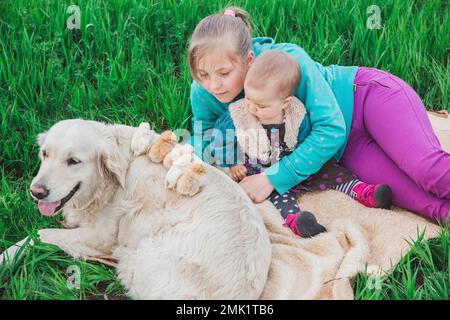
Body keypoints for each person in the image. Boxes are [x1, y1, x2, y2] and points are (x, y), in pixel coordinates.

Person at [188, 7, 450, 225]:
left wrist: (273, 177)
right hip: (344, 149)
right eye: (203, 75)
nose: (214, 85)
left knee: (425, 171)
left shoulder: (288, 61)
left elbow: (331, 128)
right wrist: (229, 160)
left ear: (249, 59)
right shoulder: (204, 93)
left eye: (224, 73)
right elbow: (203, 139)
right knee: (421, 202)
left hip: (365, 98)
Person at [210, 50, 392, 238]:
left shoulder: (297, 114)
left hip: (293, 160)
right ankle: (297, 220)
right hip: (262, 166)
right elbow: (221, 138)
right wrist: (232, 162)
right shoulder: (238, 115)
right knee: (275, 194)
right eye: (248, 98)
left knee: (331, 171)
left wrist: (300, 161)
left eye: (262, 106)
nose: (252, 108)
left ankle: (361, 190)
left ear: (285, 102)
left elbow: (306, 138)